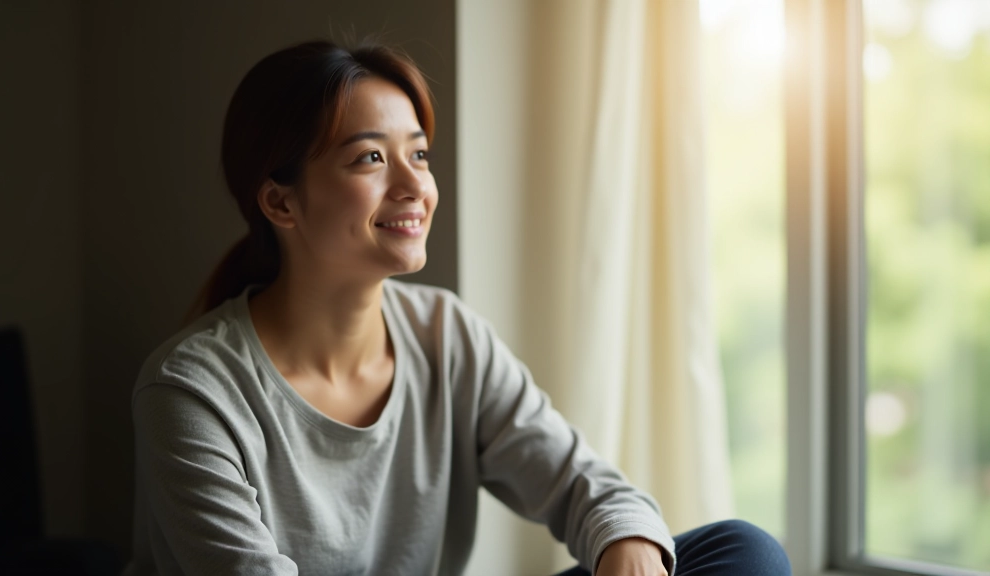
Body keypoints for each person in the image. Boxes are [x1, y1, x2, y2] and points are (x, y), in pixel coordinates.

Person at [122, 40, 791, 576]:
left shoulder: (447, 336)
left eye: (419, 154)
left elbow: (587, 486)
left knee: (743, 552)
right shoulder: (191, 388)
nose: (415, 185)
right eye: (371, 159)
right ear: (280, 203)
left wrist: (627, 547)